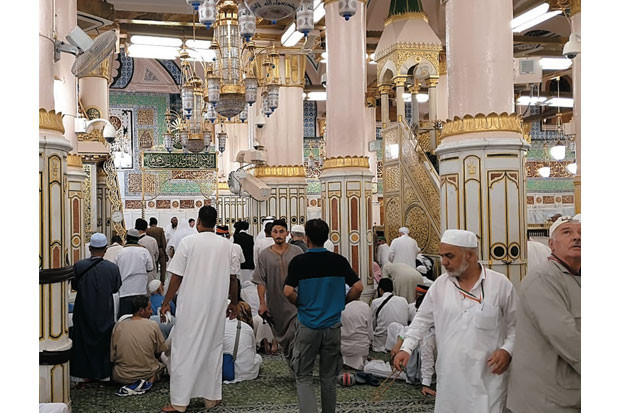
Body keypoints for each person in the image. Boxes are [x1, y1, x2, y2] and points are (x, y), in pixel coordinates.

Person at [393, 229, 518, 413]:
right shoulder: (440, 285)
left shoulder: (500, 284)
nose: (444, 262)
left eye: (449, 256)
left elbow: (517, 325)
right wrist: (407, 347)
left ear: (471, 255)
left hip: (489, 378)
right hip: (451, 378)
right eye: (442, 256)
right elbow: (421, 320)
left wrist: (507, 350)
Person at [158, 206, 238, 413]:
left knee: (184, 350)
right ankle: (211, 398)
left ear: (199, 222)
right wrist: (234, 303)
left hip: (191, 306)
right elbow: (233, 279)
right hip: (216, 306)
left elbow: (176, 276)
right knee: (213, 348)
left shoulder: (188, 242)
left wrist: (166, 302)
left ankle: (179, 402)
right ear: (214, 222)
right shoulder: (227, 245)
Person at [283, 218, 364, 413]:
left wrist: (302, 303)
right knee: (328, 378)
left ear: (307, 239)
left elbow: (287, 291)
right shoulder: (339, 261)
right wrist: (341, 302)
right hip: (332, 326)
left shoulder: (299, 261)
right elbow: (358, 287)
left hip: (308, 326)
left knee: (303, 376)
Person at [507, 216, 581, 413]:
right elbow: (565, 335)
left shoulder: (576, 277)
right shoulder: (543, 278)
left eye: (581, 233)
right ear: (551, 244)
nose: (576, 238)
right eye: (567, 233)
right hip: (545, 400)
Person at [70, 233, 122, 382]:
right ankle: (102, 373)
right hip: (104, 310)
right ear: (105, 249)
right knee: (103, 340)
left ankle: (82, 374)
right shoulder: (112, 268)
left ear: (90, 248)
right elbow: (115, 288)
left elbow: (74, 286)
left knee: (83, 338)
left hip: (84, 309)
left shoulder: (79, 266)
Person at [252, 219, 303, 360]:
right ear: (271, 234)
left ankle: (299, 369)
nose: (278, 235)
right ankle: (293, 363)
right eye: (275, 232)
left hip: (295, 302)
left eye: (281, 231)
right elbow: (260, 281)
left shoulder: (297, 252)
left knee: (296, 335)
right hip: (275, 303)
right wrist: (262, 303)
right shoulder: (265, 255)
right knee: (284, 339)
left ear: (287, 233)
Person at [110, 295, 169, 396]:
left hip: (121, 376)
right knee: (160, 367)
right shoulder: (152, 325)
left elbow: (112, 357)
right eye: (149, 308)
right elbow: (160, 351)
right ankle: (147, 382)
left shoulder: (119, 326)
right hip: (146, 373)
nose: (151, 312)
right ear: (141, 310)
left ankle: (133, 385)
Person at [114, 229, 154, 319]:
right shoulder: (144, 251)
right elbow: (150, 268)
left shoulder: (120, 252)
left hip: (125, 292)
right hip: (140, 291)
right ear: (138, 239)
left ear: (127, 238)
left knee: (125, 320)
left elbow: (115, 270)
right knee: (141, 320)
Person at [370, 278, 409, 352]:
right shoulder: (403, 300)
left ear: (380, 290)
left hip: (381, 343)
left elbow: (372, 325)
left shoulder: (375, 302)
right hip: (400, 341)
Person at [223, 315, 262, 383]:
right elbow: (253, 350)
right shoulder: (247, 327)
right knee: (258, 357)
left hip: (221, 369)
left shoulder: (217, 327)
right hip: (248, 373)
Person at [340, 292, 372, 370]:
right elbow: (370, 331)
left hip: (344, 348)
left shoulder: (344, 307)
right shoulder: (365, 307)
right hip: (361, 348)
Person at [136, 218, 159, 284]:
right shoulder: (152, 240)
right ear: (146, 229)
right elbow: (156, 255)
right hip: (150, 273)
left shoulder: (130, 243)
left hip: (137, 274)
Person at [147, 217, 168, 282]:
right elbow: (163, 241)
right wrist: (165, 253)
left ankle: (154, 282)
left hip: (152, 250)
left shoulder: (148, 230)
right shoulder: (160, 230)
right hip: (160, 249)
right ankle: (162, 282)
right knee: (163, 268)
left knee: (154, 267)